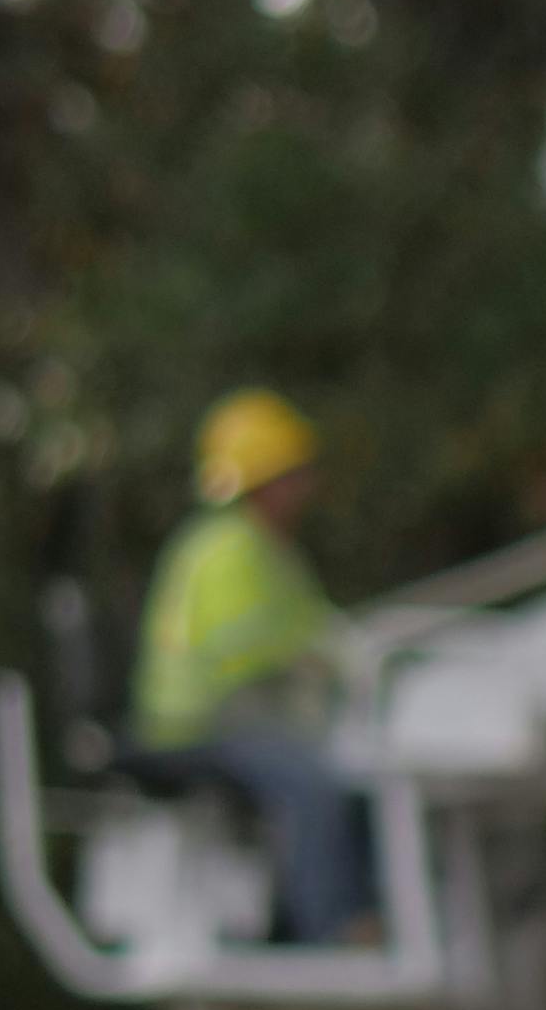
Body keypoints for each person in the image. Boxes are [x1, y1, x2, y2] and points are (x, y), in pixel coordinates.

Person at [130, 386, 374, 942]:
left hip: (239, 715)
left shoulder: (265, 548)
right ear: (267, 480)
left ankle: (311, 922)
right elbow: (249, 650)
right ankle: (336, 930)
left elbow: (311, 629)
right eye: (295, 472)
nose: (306, 486)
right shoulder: (229, 548)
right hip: (198, 722)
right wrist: (324, 660)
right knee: (314, 786)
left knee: (357, 774)